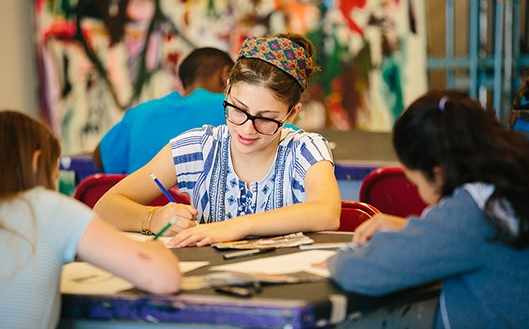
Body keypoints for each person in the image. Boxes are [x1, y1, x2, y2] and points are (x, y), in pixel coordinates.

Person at [94, 33, 341, 247]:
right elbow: (104, 208)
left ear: (292, 113)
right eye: (238, 109)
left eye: (266, 118)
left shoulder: (305, 149)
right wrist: (151, 218)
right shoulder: (198, 147)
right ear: (227, 89)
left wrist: (238, 226)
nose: (247, 129)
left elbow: (327, 213)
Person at [327, 91, 529, 328]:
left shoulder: (473, 211)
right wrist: (408, 226)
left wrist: (336, 259)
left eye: (416, 183)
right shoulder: (518, 179)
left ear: (438, 173)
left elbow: (363, 271)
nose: (419, 192)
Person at [0, 111, 182, 329]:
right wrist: (157, 252)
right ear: (36, 162)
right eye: (53, 173)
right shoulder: (44, 207)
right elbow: (164, 277)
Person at [92, 47, 235, 174]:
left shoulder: (139, 112)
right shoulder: (232, 108)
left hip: (139, 203)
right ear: (226, 74)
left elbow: (99, 158)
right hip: (197, 204)